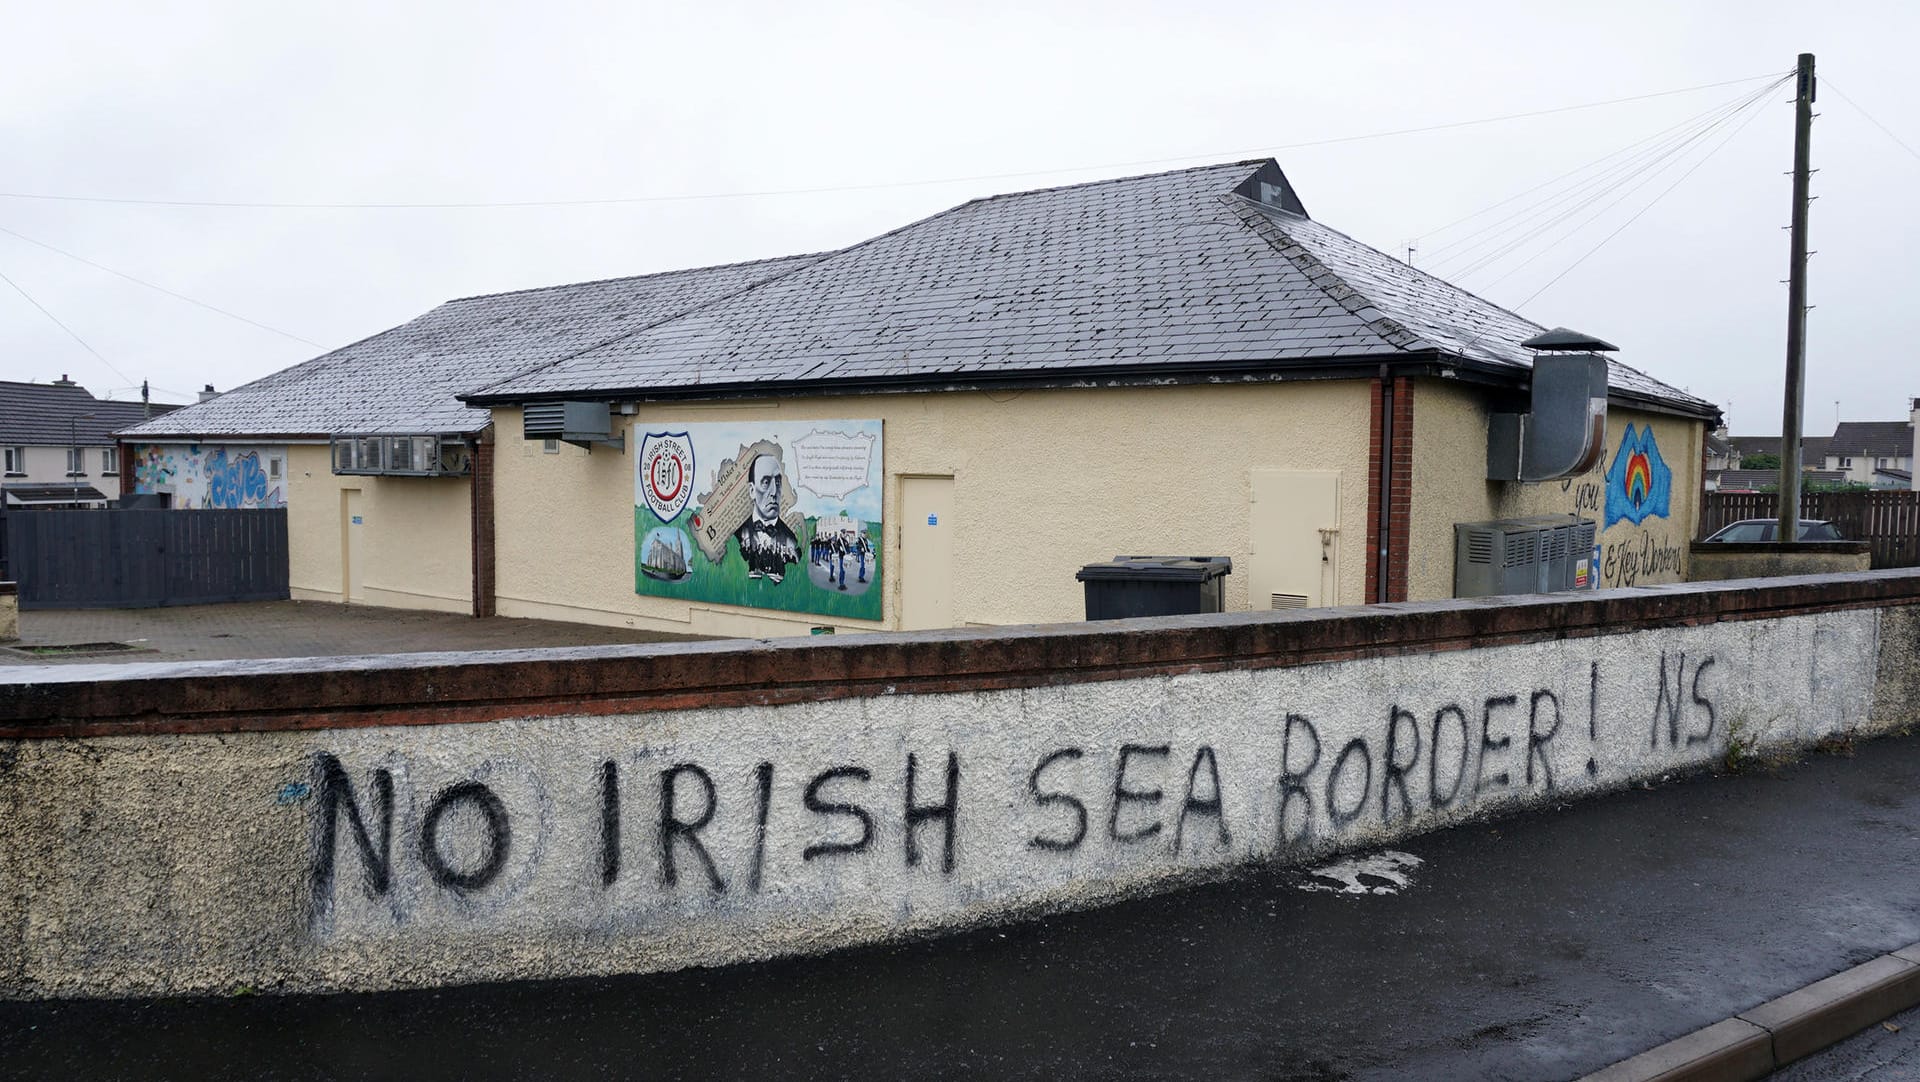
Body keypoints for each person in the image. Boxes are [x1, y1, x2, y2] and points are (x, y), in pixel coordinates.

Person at [734, 454, 799, 583]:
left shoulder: (791, 539)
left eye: (778, 482)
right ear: (752, 490)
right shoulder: (737, 536)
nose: (774, 492)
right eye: (766, 482)